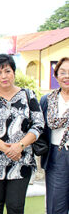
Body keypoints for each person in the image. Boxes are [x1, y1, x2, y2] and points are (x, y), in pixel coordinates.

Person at [0, 54, 44, 214]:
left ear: (14, 72)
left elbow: (39, 125)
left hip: (21, 161)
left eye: (7, 71)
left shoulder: (28, 95)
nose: (4, 76)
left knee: (16, 207)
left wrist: (19, 146)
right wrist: (7, 149)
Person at [40, 57, 69, 214]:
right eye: (62, 72)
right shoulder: (47, 100)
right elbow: (38, 127)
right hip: (56, 156)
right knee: (56, 205)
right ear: (56, 76)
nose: (67, 76)